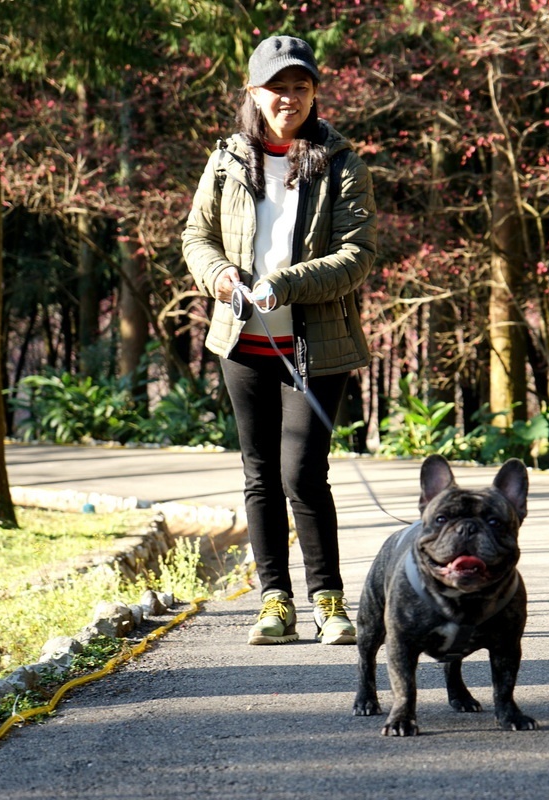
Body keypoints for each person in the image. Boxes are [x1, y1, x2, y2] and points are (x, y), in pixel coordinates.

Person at [182, 35, 376, 645]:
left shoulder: (341, 162)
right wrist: (215, 273)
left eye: (301, 86)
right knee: (259, 473)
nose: (288, 98)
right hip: (242, 340)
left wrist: (285, 284)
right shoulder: (227, 160)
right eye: (277, 86)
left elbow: (358, 255)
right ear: (253, 92)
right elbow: (197, 235)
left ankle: (329, 602)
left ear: (314, 92)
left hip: (315, 344)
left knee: (303, 472)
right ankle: (274, 602)